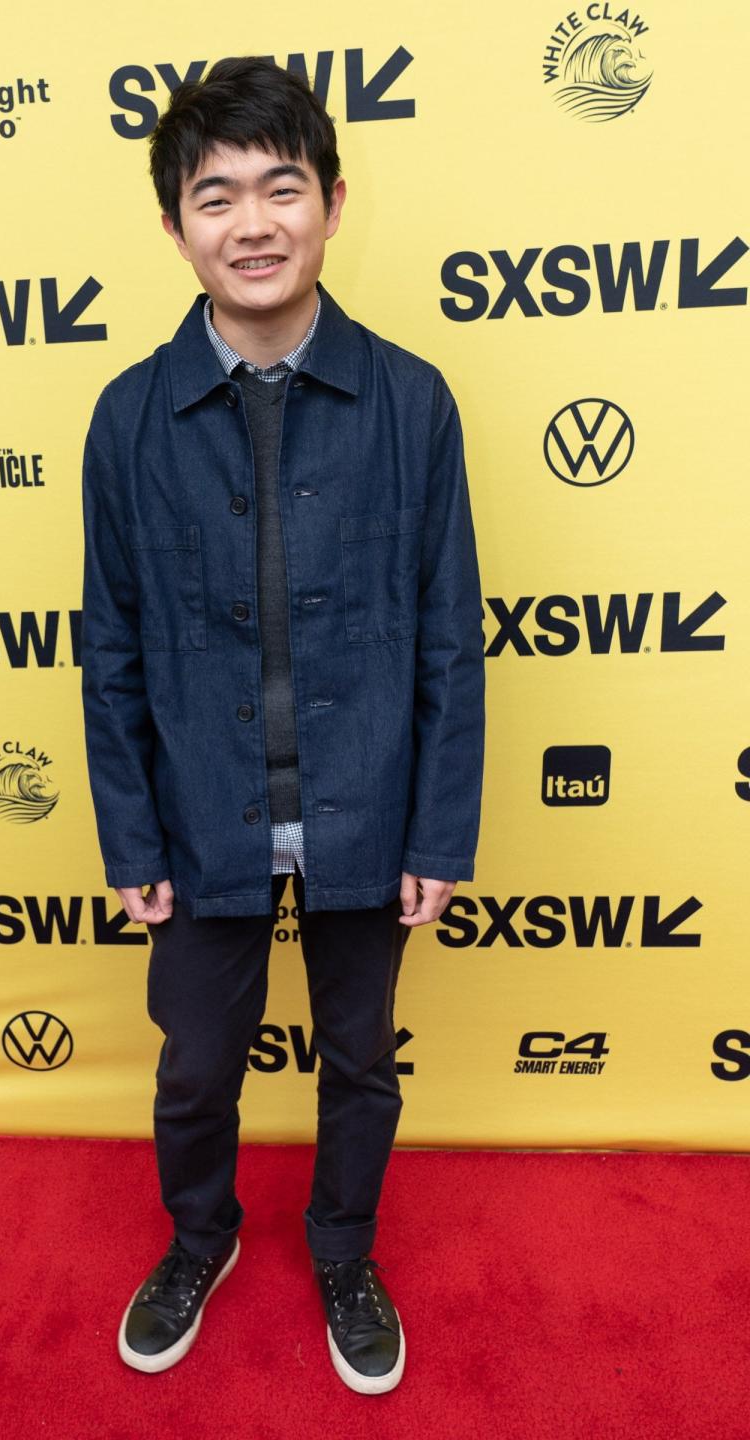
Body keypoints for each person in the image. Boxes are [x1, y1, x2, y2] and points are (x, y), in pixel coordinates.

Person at [79, 55, 485, 1395]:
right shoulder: (128, 418)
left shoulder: (413, 401)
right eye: (216, 195)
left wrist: (439, 825)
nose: (251, 223)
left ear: (331, 202)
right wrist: (129, 829)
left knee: (360, 1062)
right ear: (173, 224)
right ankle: (200, 1239)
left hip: (369, 805)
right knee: (197, 1068)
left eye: (280, 187)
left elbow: (445, 633)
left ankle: (344, 1250)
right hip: (199, 820)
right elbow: (112, 643)